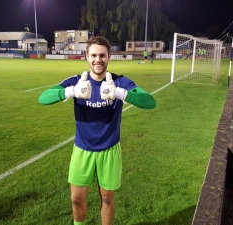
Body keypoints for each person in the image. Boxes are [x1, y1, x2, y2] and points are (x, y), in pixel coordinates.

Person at [38, 36, 156, 225]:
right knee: (76, 199)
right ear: (87, 57)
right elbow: (43, 98)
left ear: (109, 56)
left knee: (107, 199)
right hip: (82, 149)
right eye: (93, 55)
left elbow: (150, 101)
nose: (98, 60)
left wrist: (120, 93)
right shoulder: (77, 81)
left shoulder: (119, 81)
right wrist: (71, 92)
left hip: (109, 150)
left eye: (102, 55)